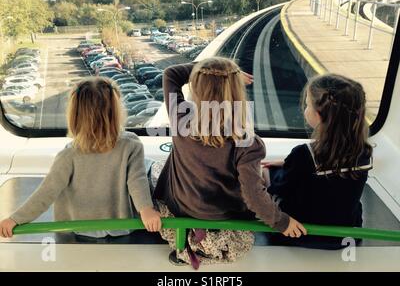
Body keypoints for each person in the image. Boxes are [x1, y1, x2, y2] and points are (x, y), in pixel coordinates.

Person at [153, 57, 306, 268]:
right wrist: (282, 221)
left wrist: (212, 71)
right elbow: (253, 196)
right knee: (261, 178)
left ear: (195, 88)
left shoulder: (180, 118)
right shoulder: (248, 142)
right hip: (223, 216)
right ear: (237, 93)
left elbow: (171, 73)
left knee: (159, 168)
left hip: (182, 208)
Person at [0, 77, 161, 239]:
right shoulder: (131, 144)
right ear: (116, 112)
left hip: (78, 227)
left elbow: (46, 192)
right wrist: (146, 210)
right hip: (120, 227)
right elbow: (137, 180)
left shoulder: (68, 154)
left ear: (75, 115)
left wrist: (15, 219)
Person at [263, 74, 373, 249]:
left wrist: (270, 173)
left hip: (301, 234)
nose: (305, 108)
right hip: (345, 236)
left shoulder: (304, 154)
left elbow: (280, 188)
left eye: (308, 104)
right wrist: (289, 163)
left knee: (266, 172)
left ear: (320, 115)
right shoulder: (364, 151)